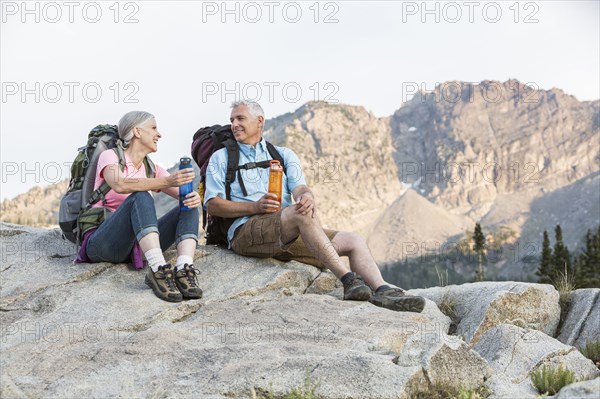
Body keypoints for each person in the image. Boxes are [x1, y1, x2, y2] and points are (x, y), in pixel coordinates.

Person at [204, 100, 426, 312]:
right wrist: (255, 207)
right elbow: (212, 205)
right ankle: (348, 280)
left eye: (240, 119)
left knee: (354, 240)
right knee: (298, 214)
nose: (234, 125)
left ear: (260, 121)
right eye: (232, 120)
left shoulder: (283, 155)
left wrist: (306, 196)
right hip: (245, 232)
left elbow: (299, 188)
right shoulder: (221, 157)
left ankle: (382, 290)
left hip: (285, 230)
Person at [80, 111, 203, 303]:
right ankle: (158, 269)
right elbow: (120, 184)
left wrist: (192, 197)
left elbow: (181, 195)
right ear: (137, 131)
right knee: (141, 195)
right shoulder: (110, 156)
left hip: (134, 246)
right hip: (103, 242)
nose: (159, 134)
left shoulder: (152, 168)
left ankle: (184, 268)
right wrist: (167, 181)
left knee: (187, 205)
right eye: (153, 128)